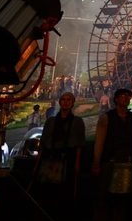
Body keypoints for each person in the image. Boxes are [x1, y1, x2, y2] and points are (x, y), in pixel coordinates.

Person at [34, 92, 85, 221]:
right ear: (60, 102)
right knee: (48, 190)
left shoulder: (78, 122)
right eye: (64, 99)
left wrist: (77, 164)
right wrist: (37, 162)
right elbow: (44, 142)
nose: (66, 102)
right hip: (50, 157)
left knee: (65, 191)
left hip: (68, 158)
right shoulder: (51, 121)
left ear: (72, 103)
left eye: (69, 100)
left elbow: (79, 144)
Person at [92, 87, 132, 221]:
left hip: (125, 161)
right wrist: (96, 162)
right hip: (109, 161)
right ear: (116, 99)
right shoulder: (106, 118)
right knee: (104, 196)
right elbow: (99, 141)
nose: (125, 98)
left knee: (123, 197)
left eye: (127, 96)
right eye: (122, 96)